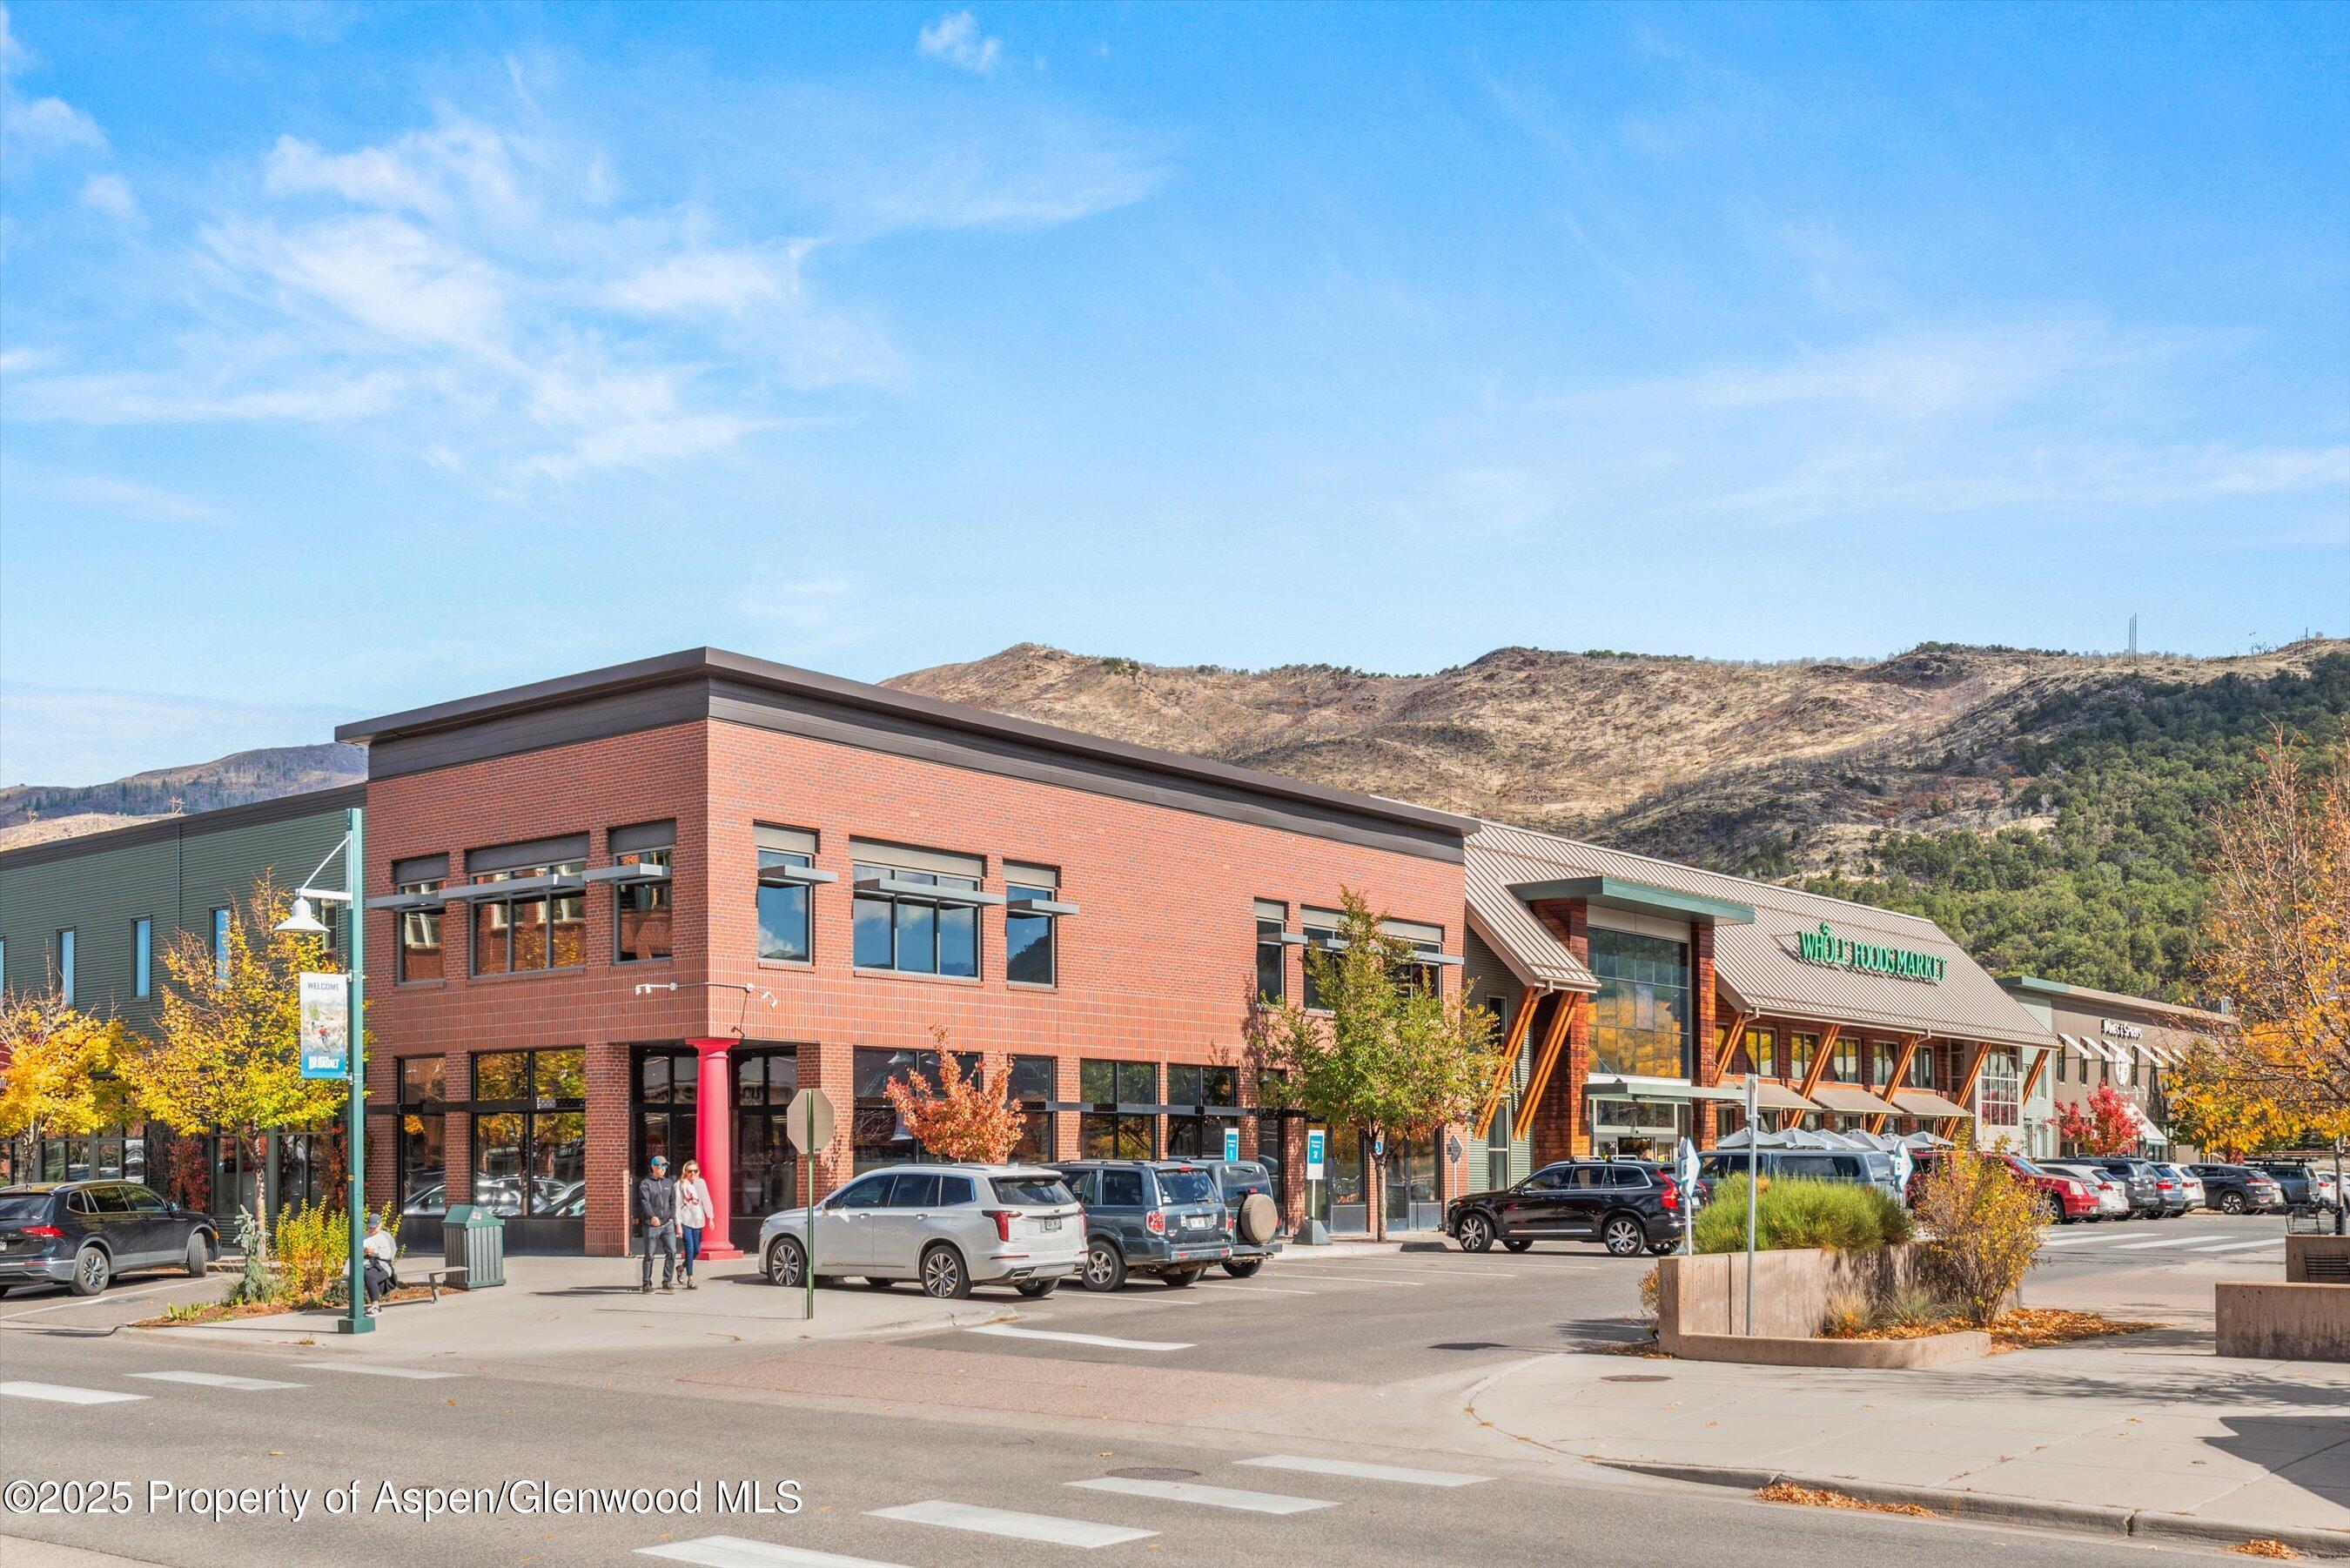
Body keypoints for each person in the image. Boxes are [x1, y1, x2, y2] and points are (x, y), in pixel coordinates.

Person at [636, 1153, 680, 1293]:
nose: (663, 1169)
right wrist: (652, 1216)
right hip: (652, 1225)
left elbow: (672, 1202)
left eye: (665, 1166)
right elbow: (645, 1202)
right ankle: (646, 1283)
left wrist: (671, 1217)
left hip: (667, 1224)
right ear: (653, 1167)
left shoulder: (669, 1183)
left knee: (672, 1251)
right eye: (660, 1166)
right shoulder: (646, 1183)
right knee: (649, 1255)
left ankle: (667, 1281)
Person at [675, 1158, 714, 1290]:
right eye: (689, 1171)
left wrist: (710, 1217)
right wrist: (677, 1224)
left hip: (698, 1220)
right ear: (685, 1171)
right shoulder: (679, 1185)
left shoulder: (701, 1183)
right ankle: (690, 1279)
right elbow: (676, 1206)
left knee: (697, 1250)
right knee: (690, 1248)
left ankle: (681, 1267)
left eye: (695, 1171)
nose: (692, 1173)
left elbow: (706, 1200)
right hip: (685, 1220)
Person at [361, 1213, 398, 1317]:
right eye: (370, 1227)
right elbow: (355, 1253)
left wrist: (374, 1252)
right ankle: (357, 1305)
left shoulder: (385, 1237)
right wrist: (364, 1252)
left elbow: (390, 1254)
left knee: (370, 1276)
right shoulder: (363, 1237)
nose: (372, 1230)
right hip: (365, 1264)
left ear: (380, 1225)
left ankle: (376, 1306)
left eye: (374, 1227)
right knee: (357, 1275)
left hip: (383, 1265)